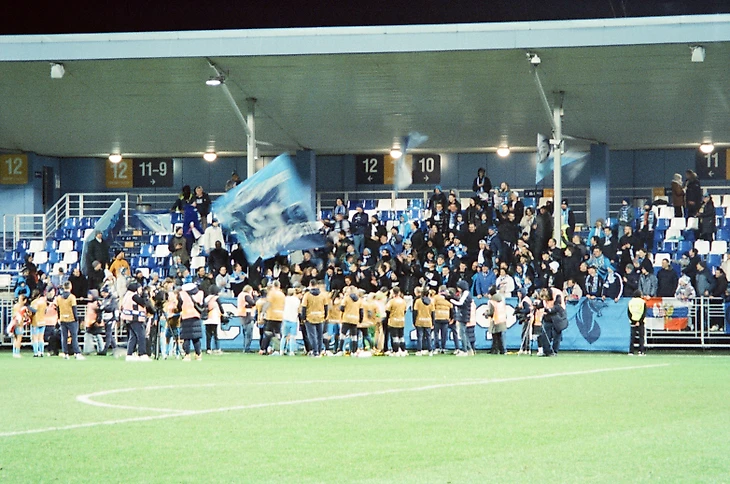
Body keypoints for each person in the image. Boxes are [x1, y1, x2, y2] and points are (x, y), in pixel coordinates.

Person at [121, 282, 153, 361]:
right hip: (135, 318)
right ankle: (142, 354)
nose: (141, 290)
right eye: (140, 288)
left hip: (129, 318)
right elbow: (144, 303)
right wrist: (145, 295)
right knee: (141, 336)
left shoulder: (127, 295)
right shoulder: (134, 296)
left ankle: (129, 354)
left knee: (133, 337)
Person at [56, 282, 85, 360]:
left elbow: (58, 309)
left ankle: (65, 353)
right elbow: (74, 308)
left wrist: (59, 318)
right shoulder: (72, 297)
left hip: (62, 318)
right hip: (71, 319)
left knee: (64, 337)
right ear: (70, 287)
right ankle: (77, 353)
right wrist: (76, 318)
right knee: (74, 337)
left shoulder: (59, 297)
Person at [178, 282, 206, 360]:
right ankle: (198, 354)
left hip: (186, 317)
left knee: (186, 338)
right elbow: (203, 304)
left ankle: (187, 355)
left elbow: (179, 306)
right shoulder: (200, 293)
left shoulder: (182, 294)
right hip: (196, 316)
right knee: (196, 338)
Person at [301, 280, 327, 357]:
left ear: (310, 284)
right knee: (320, 336)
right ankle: (319, 351)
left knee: (312, 336)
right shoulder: (322, 295)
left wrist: (303, 318)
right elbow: (326, 306)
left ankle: (315, 352)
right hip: (320, 317)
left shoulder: (307, 295)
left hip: (310, 317)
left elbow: (304, 307)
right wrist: (325, 316)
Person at [260, 280, 285, 355]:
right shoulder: (282, 294)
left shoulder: (271, 293)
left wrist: (262, 313)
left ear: (273, 285)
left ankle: (263, 349)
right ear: (279, 286)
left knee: (268, 333)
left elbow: (268, 303)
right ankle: (278, 349)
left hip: (271, 316)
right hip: (280, 316)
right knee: (277, 333)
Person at [449, 280, 473, 356]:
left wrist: (452, 300)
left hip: (463, 314)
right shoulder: (465, 293)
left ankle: (465, 350)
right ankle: (469, 350)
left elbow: (461, 303)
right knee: (464, 332)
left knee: (462, 333)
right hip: (464, 314)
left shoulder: (465, 293)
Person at [384, 287, 407, 356]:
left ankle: (396, 351)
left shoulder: (391, 301)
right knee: (401, 337)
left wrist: (389, 317)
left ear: (393, 293)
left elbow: (387, 310)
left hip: (393, 321)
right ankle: (403, 350)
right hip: (401, 320)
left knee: (395, 337)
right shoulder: (403, 301)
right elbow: (405, 311)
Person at [412, 287, 435, 356]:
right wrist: (433, 323)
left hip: (419, 320)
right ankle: (430, 350)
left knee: (419, 336)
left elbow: (415, 312)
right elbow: (433, 313)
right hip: (428, 321)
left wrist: (414, 321)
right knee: (428, 336)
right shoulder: (431, 302)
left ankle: (419, 350)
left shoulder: (418, 301)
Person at [204, 285, 225, 355]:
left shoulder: (206, 298)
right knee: (216, 334)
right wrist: (223, 314)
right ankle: (217, 348)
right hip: (214, 318)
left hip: (207, 318)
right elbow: (221, 308)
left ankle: (208, 349)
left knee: (208, 335)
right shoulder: (216, 298)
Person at [236, 284, 256, 353]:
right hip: (247, 315)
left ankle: (245, 347)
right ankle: (247, 348)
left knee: (245, 332)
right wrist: (255, 296)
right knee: (249, 333)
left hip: (242, 315)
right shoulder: (246, 295)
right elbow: (253, 303)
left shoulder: (240, 295)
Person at [281, 288, 301, 356]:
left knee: (284, 336)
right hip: (293, 319)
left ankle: (281, 350)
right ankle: (291, 351)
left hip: (286, 319)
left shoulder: (285, 299)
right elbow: (299, 310)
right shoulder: (297, 300)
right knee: (292, 337)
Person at [627, 290, 647, 356]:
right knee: (641, 337)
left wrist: (634, 321)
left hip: (633, 321)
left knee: (632, 337)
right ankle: (641, 351)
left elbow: (629, 312)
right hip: (641, 322)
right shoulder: (643, 302)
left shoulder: (630, 302)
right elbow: (644, 312)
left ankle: (631, 351)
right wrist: (639, 321)